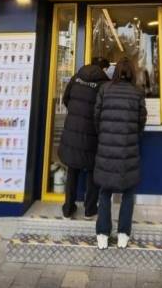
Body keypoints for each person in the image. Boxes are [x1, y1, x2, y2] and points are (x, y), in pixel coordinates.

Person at [93, 57, 147, 249]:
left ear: (115, 72)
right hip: (128, 149)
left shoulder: (104, 89)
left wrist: (104, 135)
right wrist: (132, 135)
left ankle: (102, 234)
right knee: (128, 192)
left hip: (106, 149)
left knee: (104, 192)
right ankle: (123, 234)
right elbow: (141, 121)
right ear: (132, 72)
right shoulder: (137, 92)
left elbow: (96, 117)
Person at [58, 57, 110, 218]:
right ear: (104, 68)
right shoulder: (104, 84)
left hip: (73, 129)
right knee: (92, 170)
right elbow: (104, 109)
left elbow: (66, 98)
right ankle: (90, 209)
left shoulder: (77, 77)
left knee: (72, 169)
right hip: (92, 133)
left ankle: (68, 208)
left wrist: (76, 112)